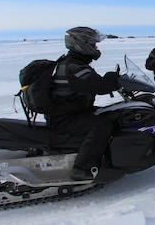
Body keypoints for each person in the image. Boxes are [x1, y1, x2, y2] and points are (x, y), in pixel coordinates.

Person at [46, 26, 121, 182]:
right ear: (81, 44)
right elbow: (97, 85)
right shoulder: (73, 67)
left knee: (112, 114)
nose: (96, 47)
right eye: (93, 44)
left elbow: (93, 83)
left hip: (73, 111)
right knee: (102, 125)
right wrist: (113, 80)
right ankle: (82, 168)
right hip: (64, 118)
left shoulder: (74, 63)